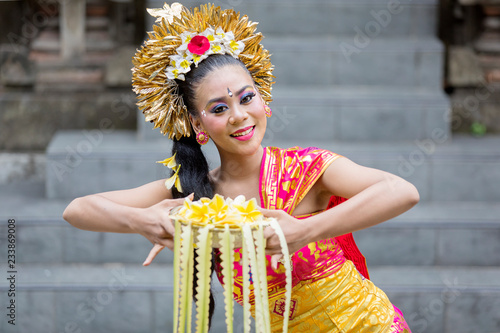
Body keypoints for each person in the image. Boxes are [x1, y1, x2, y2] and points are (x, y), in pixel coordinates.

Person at [63, 3, 419, 332]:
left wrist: (305, 232)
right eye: (218, 109)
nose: (239, 116)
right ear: (197, 124)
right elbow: (76, 210)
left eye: (247, 98)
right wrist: (143, 221)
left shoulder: (305, 168)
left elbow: (401, 191)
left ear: (263, 99)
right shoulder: (194, 194)